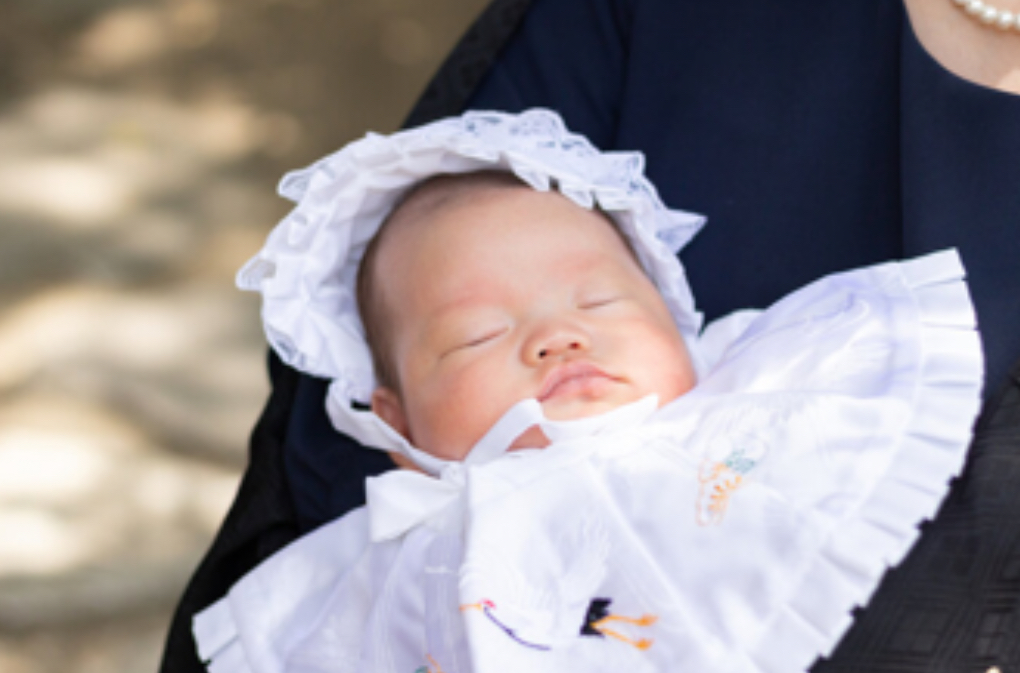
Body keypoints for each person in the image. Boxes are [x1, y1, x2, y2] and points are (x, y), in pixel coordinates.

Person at [190, 109, 983, 673]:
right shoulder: (408, 560)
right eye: (477, 335)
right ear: (398, 430)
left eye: (599, 301)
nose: (557, 336)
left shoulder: (760, 401)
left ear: (678, 321)